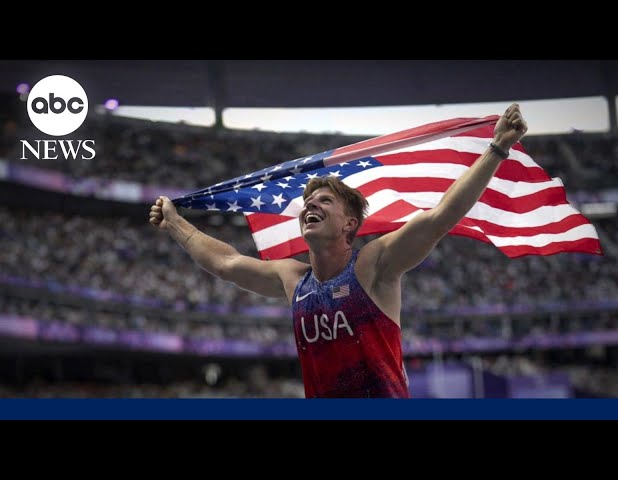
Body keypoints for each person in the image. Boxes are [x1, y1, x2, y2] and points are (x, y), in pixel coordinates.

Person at [149, 103, 528, 398]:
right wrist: (175, 224)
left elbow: (442, 216)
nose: (311, 205)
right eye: (308, 202)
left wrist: (497, 148)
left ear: (350, 224)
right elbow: (226, 262)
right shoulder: (293, 278)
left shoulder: (374, 266)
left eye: (324, 201)